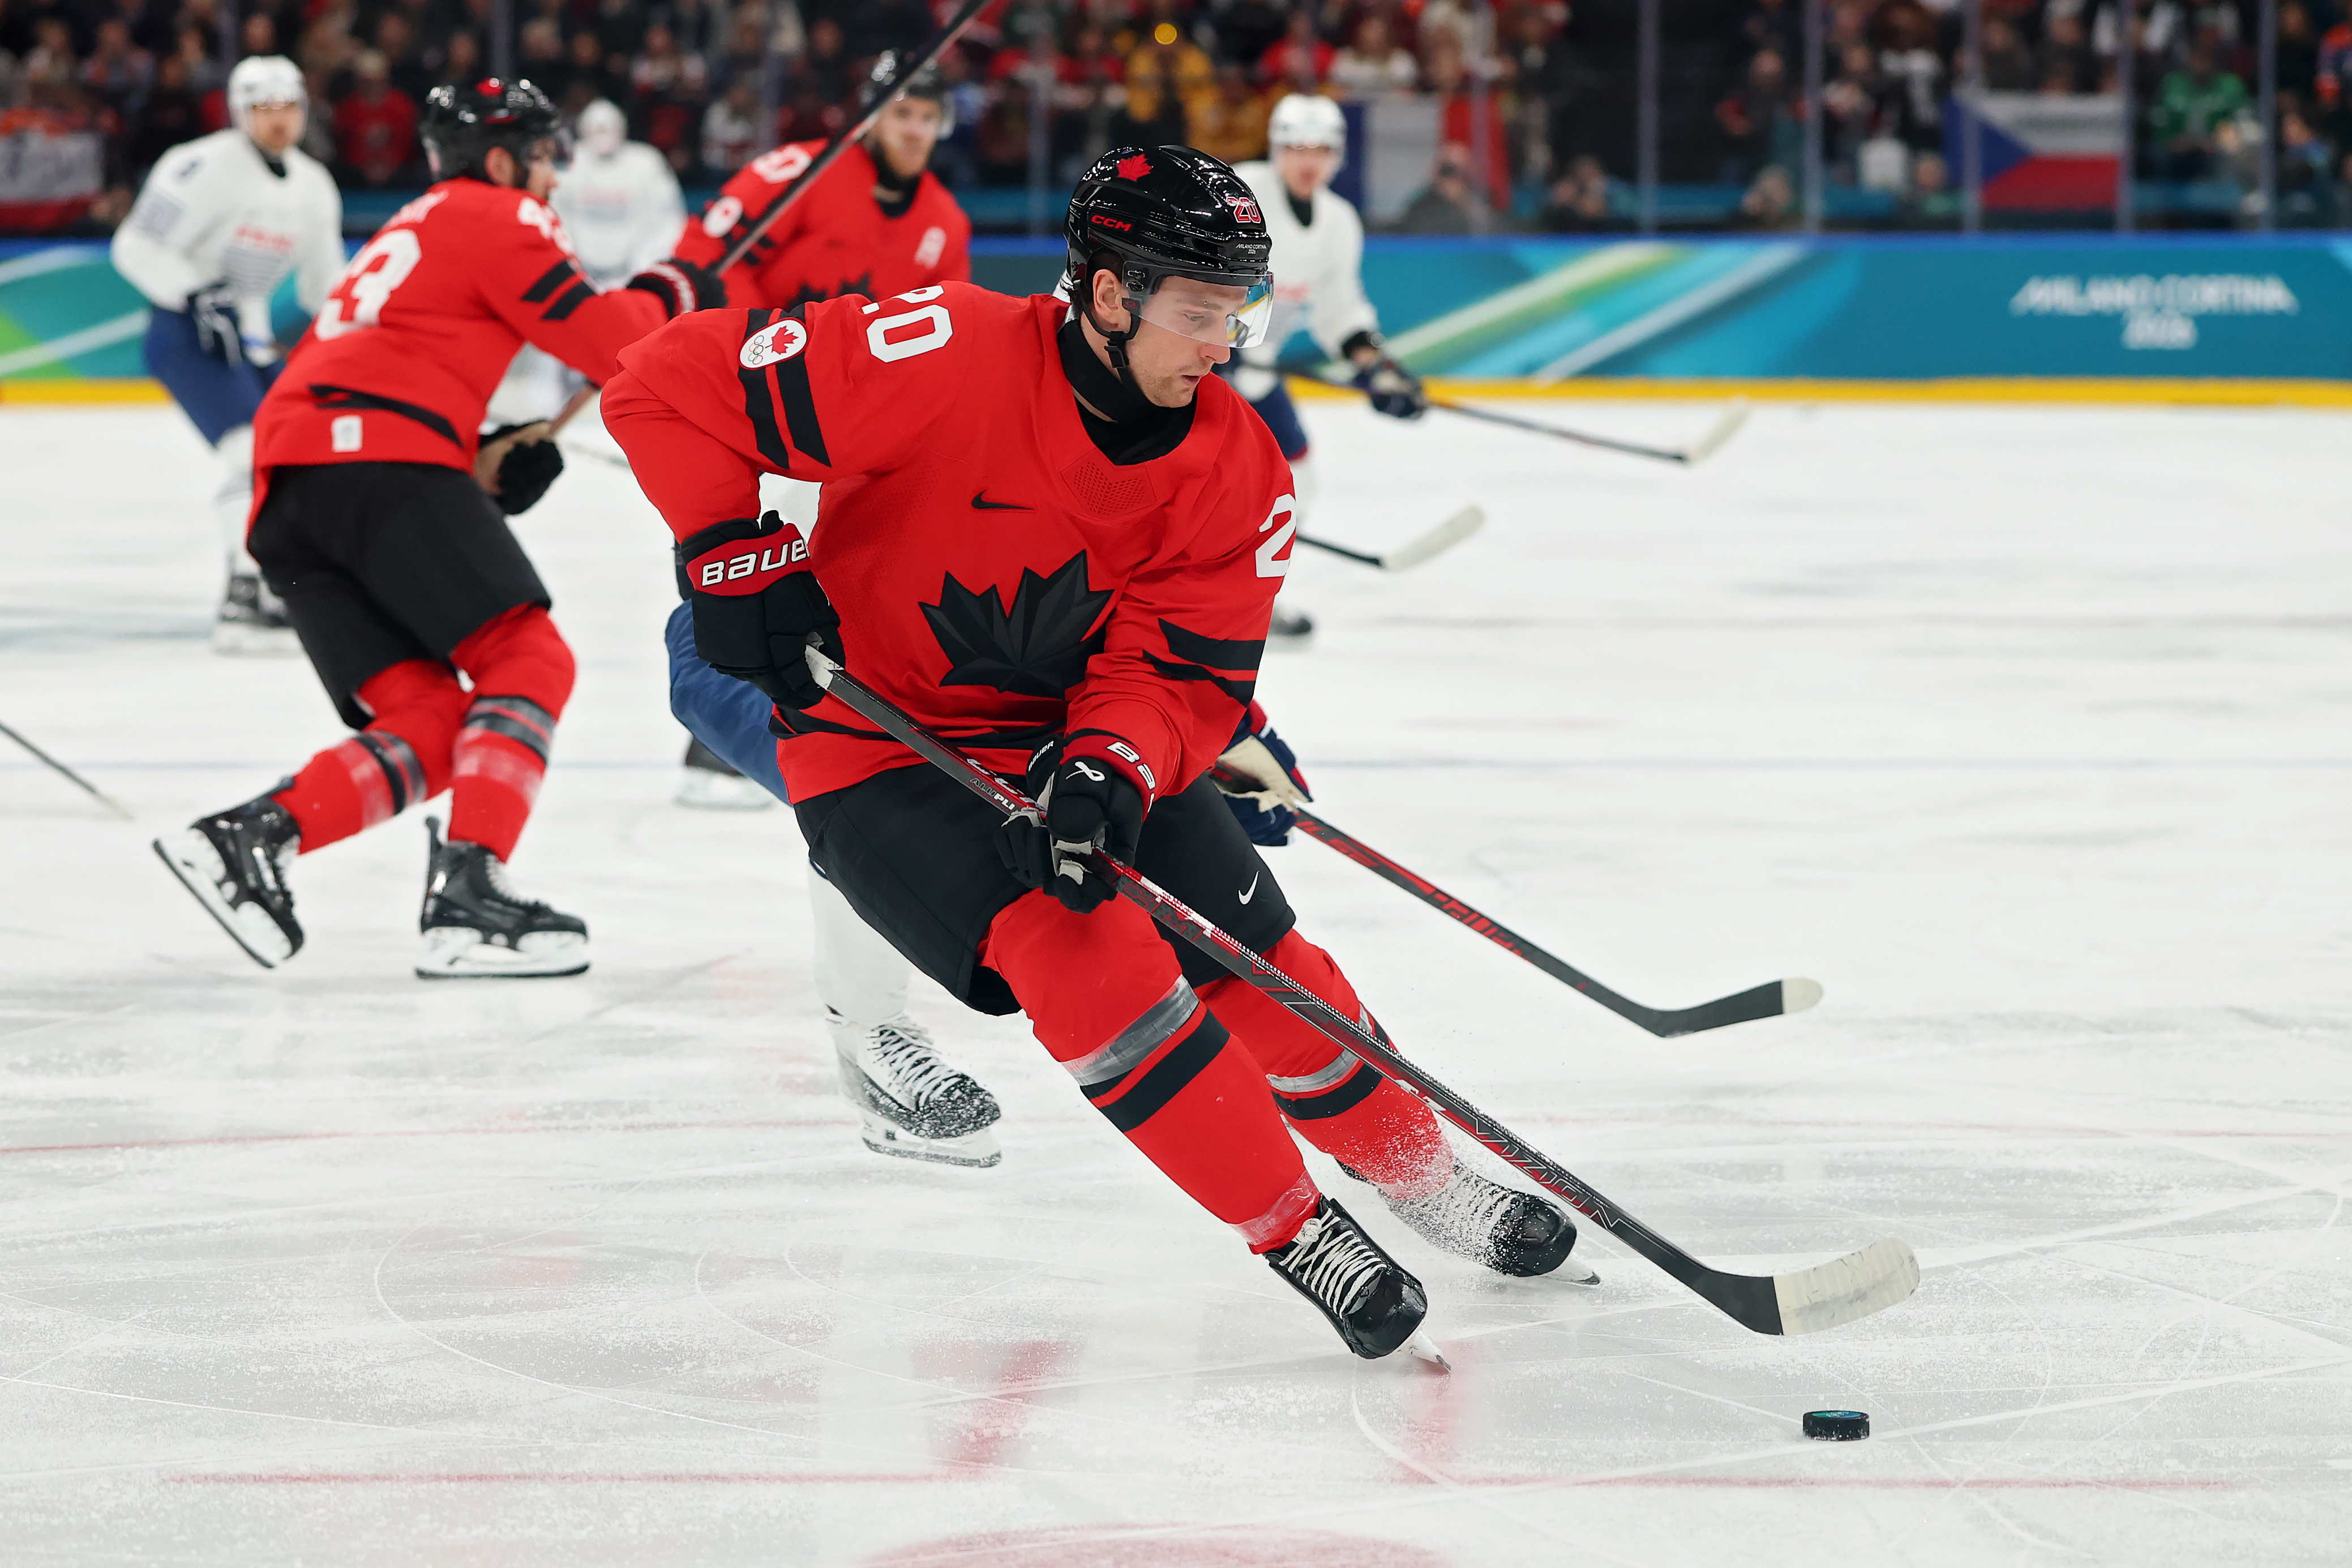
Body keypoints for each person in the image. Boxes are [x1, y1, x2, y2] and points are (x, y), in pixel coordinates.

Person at [601, 145, 1583, 1359]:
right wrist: (729, 549)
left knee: (1262, 961)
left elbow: (1182, 669)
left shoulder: (1239, 465)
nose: (1226, 340)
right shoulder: (940, 350)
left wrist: (1112, 763)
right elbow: (660, 380)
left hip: (1069, 731)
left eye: (1239, 307)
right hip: (881, 748)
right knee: (1090, 952)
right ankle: (1295, 1225)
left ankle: (1425, 1175)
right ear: (1108, 294)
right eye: (1199, 308)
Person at [152, 78, 723, 979]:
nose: (550, 178)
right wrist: (671, 286)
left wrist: (483, 456)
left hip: (294, 490)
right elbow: (614, 345)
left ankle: (251, 837)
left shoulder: (412, 225)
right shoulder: (498, 213)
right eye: (540, 156)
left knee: (434, 719)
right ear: (500, 160)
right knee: (529, 661)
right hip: (379, 457)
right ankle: (469, 893)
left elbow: (393, 364)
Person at [665, 594, 1316, 1169]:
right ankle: (867, 1027)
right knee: (867, 805)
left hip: (963, 655)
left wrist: (1215, 725)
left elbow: (1105, 591)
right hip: (781, 665)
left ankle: (1303, 1079)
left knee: (1100, 789)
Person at [663, 54, 972, 810]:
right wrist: (766, 350)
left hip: (847, 426)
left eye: (927, 118)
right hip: (748, 394)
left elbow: (952, 336)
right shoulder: (793, 172)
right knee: (737, 550)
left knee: (840, 565)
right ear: (868, 115)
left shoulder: (944, 222)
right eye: (901, 113)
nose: (913, 131)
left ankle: (799, 718)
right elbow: (706, 262)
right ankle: (717, 731)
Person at [110, 54, 344, 654]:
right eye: (263, 109)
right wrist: (197, 293)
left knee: (294, 462)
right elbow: (135, 246)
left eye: (287, 107)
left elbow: (327, 288)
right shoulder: (200, 165)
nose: (277, 121)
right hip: (187, 333)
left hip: (253, 339)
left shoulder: (314, 185)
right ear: (241, 113)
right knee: (248, 454)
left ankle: (275, 590)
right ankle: (243, 595)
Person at [1228, 93, 1428, 646]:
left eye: (1320, 148)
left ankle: (1252, 600)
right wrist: (1224, 334)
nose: (1307, 159)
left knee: (1297, 476)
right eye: (1296, 146)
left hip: (1255, 373)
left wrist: (1376, 366)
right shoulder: (1240, 192)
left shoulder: (1338, 222)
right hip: (1195, 370)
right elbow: (1200, 270)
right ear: (1277, 149)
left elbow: (1339, 309)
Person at [486, 97, 687, 426]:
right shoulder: (570, 164)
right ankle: (546, 409)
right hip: (581, 271)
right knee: (558, 336)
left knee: (638, 342)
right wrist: (568, 260)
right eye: (595, 128)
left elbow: (667, 219)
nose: (602, 135)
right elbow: (552, 213)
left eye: (608, 128)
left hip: (630, 272)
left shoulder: (645, 163)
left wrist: (644, 268)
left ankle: (645, 407)